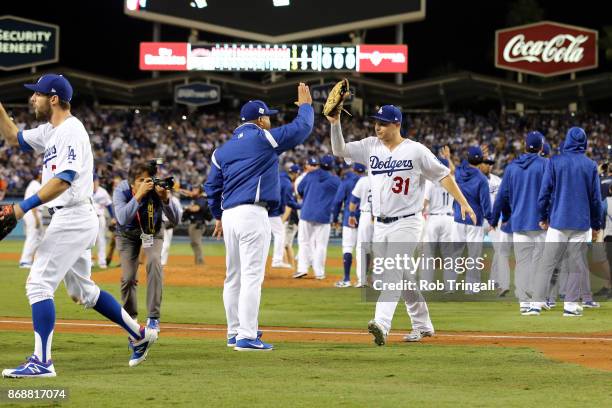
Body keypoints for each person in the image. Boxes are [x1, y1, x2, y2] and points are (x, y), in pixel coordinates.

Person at [0, 74, 157, 377]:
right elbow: (12, 137)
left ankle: (42, 361)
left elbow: (62, 181)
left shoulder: (71, 130)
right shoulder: (51, 130)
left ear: (54, 98)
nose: (33, 99)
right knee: (83, 291)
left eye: (37, 94)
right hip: (72, 216)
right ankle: (139, 333)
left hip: (73, 215)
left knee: (38, 284)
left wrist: (21, 208)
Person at [329, 105, 476, 345]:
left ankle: (381, 324)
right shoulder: (369, 146)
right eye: (376, 122)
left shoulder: (416, 151)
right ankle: (423, 324)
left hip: (408, 222)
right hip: (381, 224)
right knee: (405, 278)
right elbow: (339, 149)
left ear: (397, 124)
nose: (378, 127)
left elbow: (443, 175)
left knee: (392, 271)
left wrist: (463, 203)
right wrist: (335, 124)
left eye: (383, 123)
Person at [204, 84, 314, 351]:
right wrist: (306, 107)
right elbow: (301, 129)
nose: (270, 121)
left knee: (234, 277)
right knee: (252, 277)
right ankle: (246, 335)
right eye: (269, 117)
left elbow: (211, 188)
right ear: (261, 119)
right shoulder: (263, 138)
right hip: (252, 213)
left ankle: (234, 332)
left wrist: (217, 216)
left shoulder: (221, 151)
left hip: (229, 216)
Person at [524, 127, 603, 316]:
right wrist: (597, 225)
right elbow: (595, 199)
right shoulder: (590, 165)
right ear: (584, 142)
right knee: (576, 264)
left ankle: (535, 304)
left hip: (557, 221)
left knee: (547, 263)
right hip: (581, 223)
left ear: (567, 140)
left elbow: (544, 193)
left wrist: (542, 217)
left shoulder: (554, 162)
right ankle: (570, 306)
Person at [113, 161, 181, 332]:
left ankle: (153, 318)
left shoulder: (157, 188)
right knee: (127, 278)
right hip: (127, 235)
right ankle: (130, 318)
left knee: (154, 262)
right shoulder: (122, 190)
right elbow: (122, 218)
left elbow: (176, 220)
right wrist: (138, 196)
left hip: (152, 231)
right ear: (131, 183)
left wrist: (166, 199)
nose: (146, 183)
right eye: (141, 180)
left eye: (148, 179)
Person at [492, 131, 547, 313]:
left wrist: (496, 218)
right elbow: (551, 194)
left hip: (519, 223)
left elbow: (502, 196)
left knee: (523, 263)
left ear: (525, 146)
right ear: (541, 147)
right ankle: (536, 301)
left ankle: (524, 302)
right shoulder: (546, 165)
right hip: (540, 224)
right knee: (540, 263)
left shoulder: (512, 167)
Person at [293, 154, 341, 280]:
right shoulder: (335, 181)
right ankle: (319, 272)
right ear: (332, 166)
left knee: (304, 242)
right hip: (323, 216)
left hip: (306, 213)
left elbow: (299, 189)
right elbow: (339, 198)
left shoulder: (310, 175)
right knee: (321, 245)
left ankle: (302, 269)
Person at [420, 150, 455, 291]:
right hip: (449, 220)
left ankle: (426, 285)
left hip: (433, 219)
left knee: (428, 253)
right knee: (449, 255)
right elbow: (453, 170)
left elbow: (424, 204)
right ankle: (450, 287)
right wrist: (449, 158)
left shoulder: (431, 182)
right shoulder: (453, 181)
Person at [480, 155, 511, 297]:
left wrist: (505, 217)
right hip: (478, 220)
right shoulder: (473, 179)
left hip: (494, 219)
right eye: (487, 163)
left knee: (500, 251)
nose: (489, 166)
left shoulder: (498, 181)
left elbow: (504, 200)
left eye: (491, 163)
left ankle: (495, 281)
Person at [332, 162, 366, 287]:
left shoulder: (346, 182)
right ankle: (364, 279)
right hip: (366, 218)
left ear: (353, 169)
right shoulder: (370, 182)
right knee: (364, 249)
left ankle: (346, 279)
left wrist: (335, 218)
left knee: (347, 247)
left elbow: (337, 201)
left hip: (349, 218)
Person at [348, 168, 373, 288]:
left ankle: (362, 280)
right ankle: (378, 280)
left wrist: (352, 215)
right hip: (382, 217)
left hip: (366, 215)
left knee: (362, 248)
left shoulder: (363, 181)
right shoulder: (386, 179)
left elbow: (353, 201)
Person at [19, 171, 43, 268]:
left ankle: (33, 259)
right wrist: (36, 217)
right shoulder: (35, 184)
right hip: (33, 213)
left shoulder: (34, 184)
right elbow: (32, 202)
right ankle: (25, 261)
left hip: (32, 212)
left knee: (38, 237)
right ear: (39, 175)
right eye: (41, 173)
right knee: (32, 236)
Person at [182, 185, 209, 265]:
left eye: (195, 189)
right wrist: (177, 189)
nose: (193, 190)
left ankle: (200, 262)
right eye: (193, 189)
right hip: (194, 223)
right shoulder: (196, 198)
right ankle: (198, 261)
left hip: (198, 224)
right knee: (194, 243)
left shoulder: (201, 199)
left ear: (200, 190)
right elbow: (188, 193)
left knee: (197, 242)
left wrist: (187, 207)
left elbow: (196, 208)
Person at [92, 174, 115, 269]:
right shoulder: (85, 190)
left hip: (100, 217)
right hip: (88, 218)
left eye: (95, 181)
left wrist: (113, 217)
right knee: (89, 240)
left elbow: (109, 205)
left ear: (97, 181)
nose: (94, 183)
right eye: (92, 181)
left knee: (101, 239)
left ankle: (102, 261)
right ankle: (90, 261)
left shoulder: (103, 192)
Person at [283, 164, 302, 268]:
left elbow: (289, 207)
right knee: (286, 245)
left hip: (291, 221)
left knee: (283, 245)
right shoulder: (291, 186)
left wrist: (282, 220)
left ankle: (287, 267)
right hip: (293, 220)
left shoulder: (290, 186)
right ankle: (291, 266)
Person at [161, 187, 183, 267]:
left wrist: (175, 222)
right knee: (160, 244)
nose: (167, 191)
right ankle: (159, 262)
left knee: (167, 244)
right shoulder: (159, 198)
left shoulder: (174, 200)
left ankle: (163, 262)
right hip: (160, 223)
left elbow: (180, 212)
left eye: (168, 190)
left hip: (169, 223)